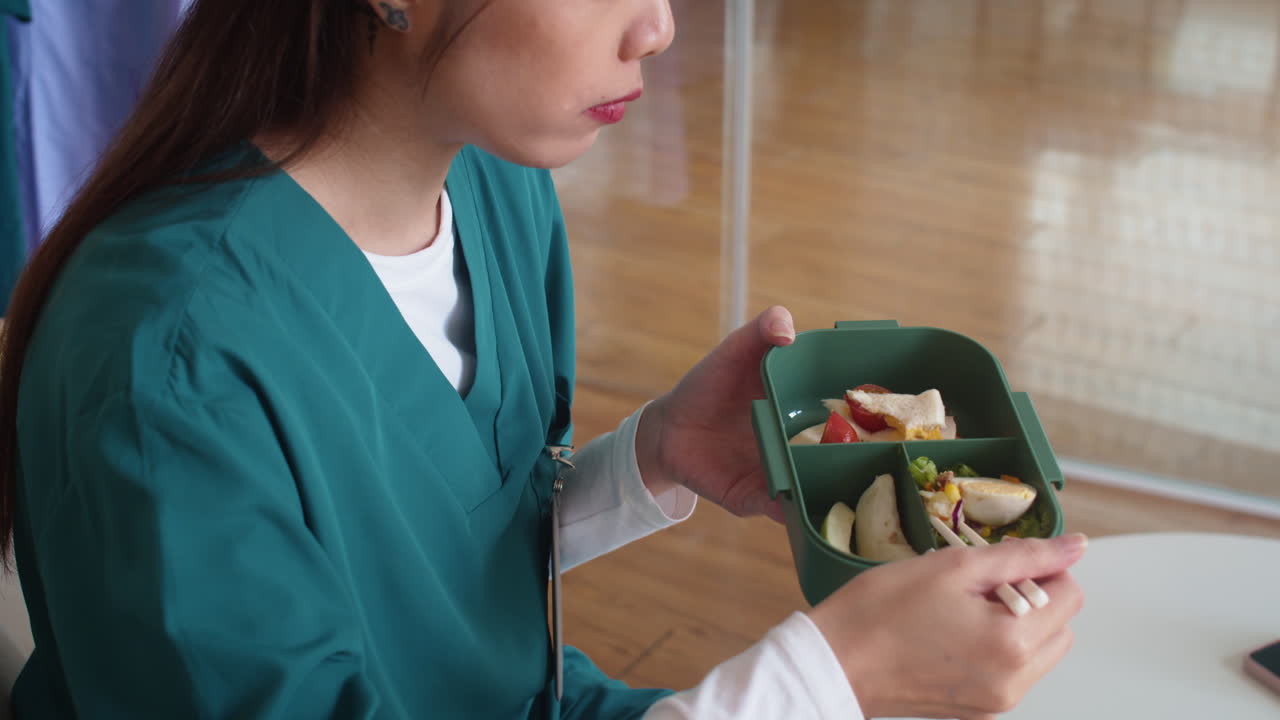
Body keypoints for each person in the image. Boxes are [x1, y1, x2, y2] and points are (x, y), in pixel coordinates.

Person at [0, 1, 1086, 718]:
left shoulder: (494, 187)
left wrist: (648, 460)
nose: (657, 27)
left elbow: (406, 553)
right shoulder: (165, 355)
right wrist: (825, 684)